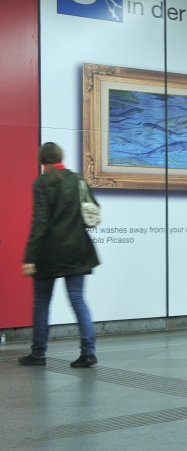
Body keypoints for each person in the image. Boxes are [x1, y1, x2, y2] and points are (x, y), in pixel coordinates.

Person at [19, 142, 100, 368]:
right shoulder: (78, 180)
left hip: (49, 253)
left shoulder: (41, 183)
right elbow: (93, 207)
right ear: (60, 156)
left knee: (42, 303)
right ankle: (88, 352)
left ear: (41, 160)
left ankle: (38, 354)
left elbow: (40, 223)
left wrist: (29, 257)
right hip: (78, 250)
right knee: (77, 299)